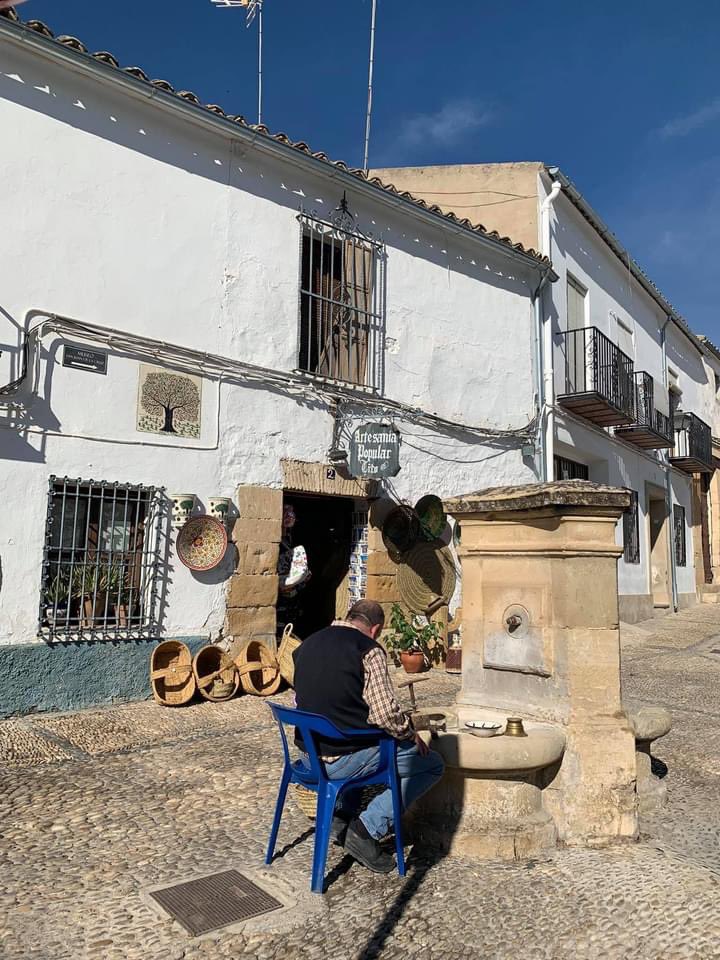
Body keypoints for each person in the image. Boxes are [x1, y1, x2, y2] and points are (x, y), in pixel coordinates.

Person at [292, 599, 445, 874]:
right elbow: (385, 715)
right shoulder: (368, 651)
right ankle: (366, 829)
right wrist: (411, 735)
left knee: (365, 735)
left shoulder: (308, 644)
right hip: (338, 760)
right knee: (430, 763)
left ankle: (340, 815)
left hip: (308, 757)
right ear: (375, 629)